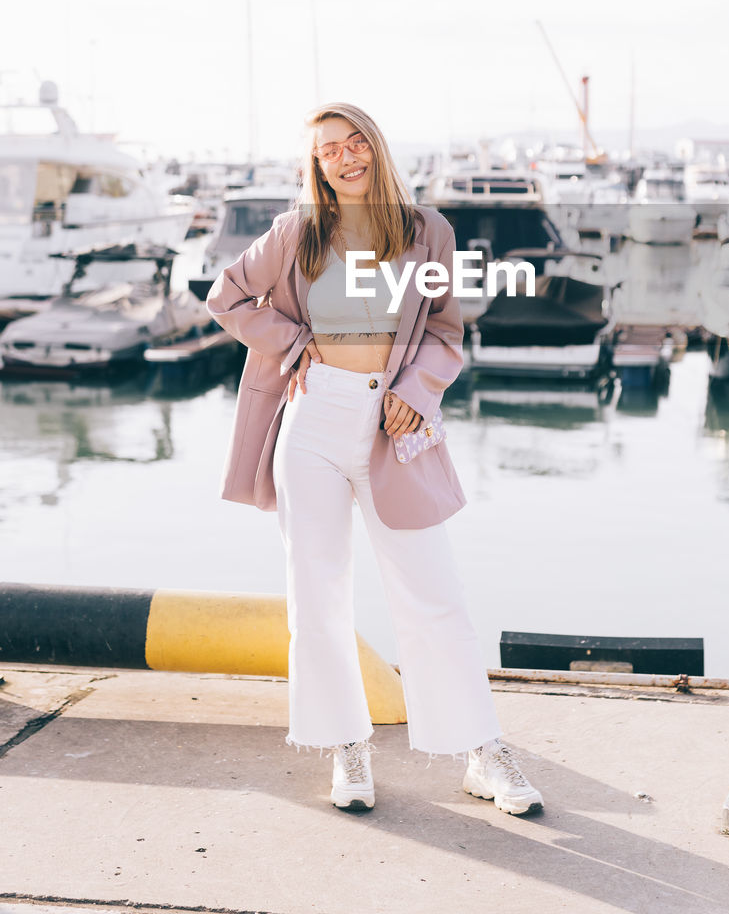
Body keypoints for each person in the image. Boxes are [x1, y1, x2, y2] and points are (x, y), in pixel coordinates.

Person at [206, 101, 544, 816]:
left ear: (376, 147)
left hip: (393, 427)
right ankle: (346, 748)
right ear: (316, 165)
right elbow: (229, 296)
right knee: (317, 597)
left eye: (355, 141)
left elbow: (446, 330)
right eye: (329, 149)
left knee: (435, 597)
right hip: (313, 423)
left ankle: (482, 751)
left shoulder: (426, 232)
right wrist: (295, 346)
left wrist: (417, 391)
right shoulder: (297, 232)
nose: (345, 156)